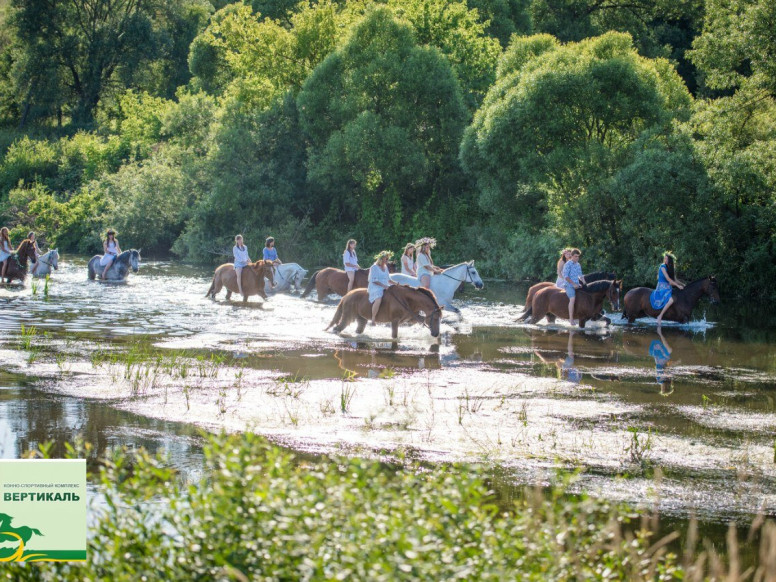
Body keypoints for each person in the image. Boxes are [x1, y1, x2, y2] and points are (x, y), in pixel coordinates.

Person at [651, 252, 684, 326]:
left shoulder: (670, 268)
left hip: (668, 288)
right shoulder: (662, 266)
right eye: (664, 258)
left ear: (670, 260)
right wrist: (678, 286)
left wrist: (683, 285)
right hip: (661, 288)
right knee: (671, 300)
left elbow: (675, 279)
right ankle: (660, 316)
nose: (665, 260)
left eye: (666, 259)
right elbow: (668, 279)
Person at [368, 250, 397, 326]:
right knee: (378, 298)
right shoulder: (374, 267)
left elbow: (388, 279)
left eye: (388, 259)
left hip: (385, 285)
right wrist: (384, 286)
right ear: (381, 259)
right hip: (376, 286)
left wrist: (396, 283)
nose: (387, 260)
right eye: (386, 259)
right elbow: (374, 280)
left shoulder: (385, 267)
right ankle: (373, 318)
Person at [562, 248, 586, 326]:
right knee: (572, 299)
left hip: (577, 285)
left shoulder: (578, 264)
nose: (577, 258)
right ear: (571, 256)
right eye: (575, 256)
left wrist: (584, 282)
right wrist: (573, 284)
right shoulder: (568, 264)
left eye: (578, 256)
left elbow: (580, 275)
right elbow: (566, 276)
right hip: (569, 285)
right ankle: (571, 319)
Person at [649, 328, 673, 395]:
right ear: (666, 387)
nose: (661, 388)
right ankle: (660, 333)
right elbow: (664, 369)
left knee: (668, 349)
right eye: (663, 389)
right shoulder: (660, 381)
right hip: (660, 360)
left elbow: (665, 368)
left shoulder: (662, 380)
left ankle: (660, 333)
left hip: (661, 360)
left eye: (662, 389)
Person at [233, 234, 251, 299]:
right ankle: (240, 290)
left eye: (241, 239)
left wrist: (250, 261)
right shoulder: (235, 248)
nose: (240, 241)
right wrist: (244, 262)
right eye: (239, 240)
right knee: (239, 275)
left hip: (246, 262)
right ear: (236, 241)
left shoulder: (245, 247)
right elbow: (236, 257)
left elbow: (247, 255)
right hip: (239, 263)